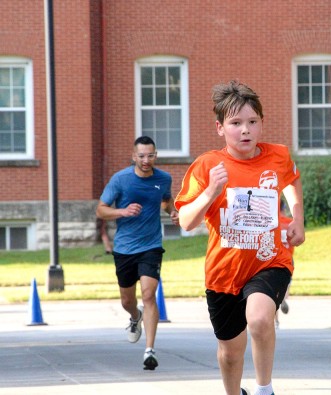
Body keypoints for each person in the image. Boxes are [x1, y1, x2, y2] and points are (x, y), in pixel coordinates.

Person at [175, 80, 304, 395]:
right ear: (220, 128)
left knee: (260, 320)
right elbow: (187, 221)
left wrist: (298, 218)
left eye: (252, 122)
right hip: (224, 271)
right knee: (230, 353)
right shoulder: (207, 166)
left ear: (261, 124)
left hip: (269, 259)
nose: (245, 130)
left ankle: (265, 389)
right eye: (235, 123)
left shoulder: (278, 156)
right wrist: (210, 192)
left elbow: (292, 181)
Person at [96, 136, 179, 371]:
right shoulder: (120, 180)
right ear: (134, 156)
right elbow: (101, 210)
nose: (146, 160)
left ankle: (149, 350)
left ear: (156, 155)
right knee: (127, 300)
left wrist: (173, 212)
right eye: (141, 156)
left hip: (151, 245)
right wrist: (123, 211)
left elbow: (165, 200)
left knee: (149, 294)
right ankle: (135, 317)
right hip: (124, 248)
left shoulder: (163, 178)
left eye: (150, 155)